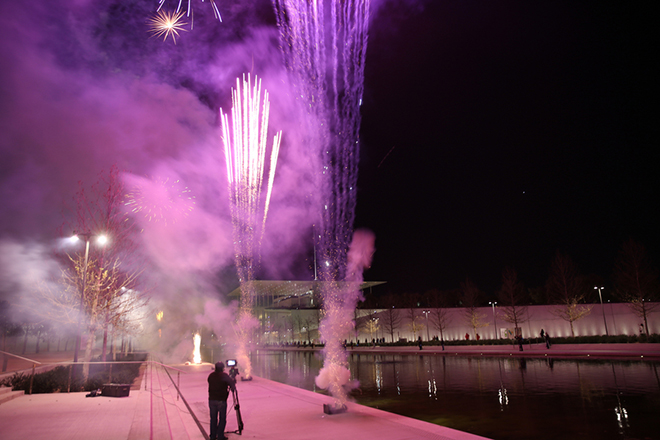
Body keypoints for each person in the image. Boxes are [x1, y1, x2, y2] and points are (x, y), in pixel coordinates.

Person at [208, 361, 236, 440]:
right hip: (221, 400)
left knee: (213, 419)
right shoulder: (224, 375)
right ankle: (220, 436)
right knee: (222, 419)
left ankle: (213, 436)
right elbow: (232, 385)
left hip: (211, 400)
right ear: (222, 368)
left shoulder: (211, 376)